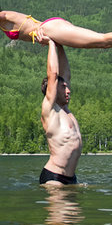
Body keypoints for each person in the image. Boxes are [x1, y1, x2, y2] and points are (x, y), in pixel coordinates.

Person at [39, 40, 82, 185]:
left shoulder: (66, 111)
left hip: (71, 178)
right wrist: (51, 43)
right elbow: (53, 74)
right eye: (63, 87)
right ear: (53, 90)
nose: (68, 90)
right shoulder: (51, 110)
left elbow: (66, 74)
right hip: (54, 177)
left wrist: (61, 45)